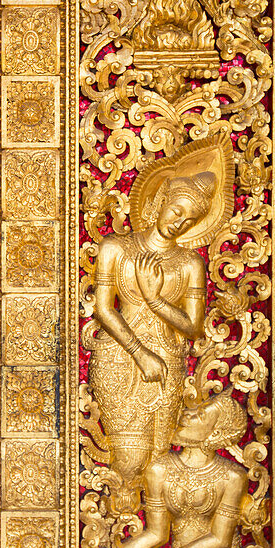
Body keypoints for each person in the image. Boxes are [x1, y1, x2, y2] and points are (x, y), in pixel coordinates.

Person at [90, 171, 214, 512]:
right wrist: (139, 353)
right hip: (122, 357)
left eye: (189, 219)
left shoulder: (190, 263)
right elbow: (104, 309)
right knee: (130, 460)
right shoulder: (116, 248)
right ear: (160, 203)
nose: (179, 222)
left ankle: (146, 535)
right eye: (176, 211)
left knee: (157, 462)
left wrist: (156, 299)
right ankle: (118, 516)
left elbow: (192, 327)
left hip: (168, 360)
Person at [97, 393, 265, 548]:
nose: (187, 413)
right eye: (192, 409)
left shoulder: (232, 476)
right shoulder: (159, 469)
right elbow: (157, 534)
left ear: (214, 434)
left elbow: (221, 539)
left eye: (200, 415)